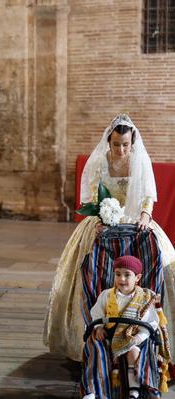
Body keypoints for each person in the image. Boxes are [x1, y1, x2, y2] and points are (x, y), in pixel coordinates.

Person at [44, 114, 175, 361]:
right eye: (116, 144)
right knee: (92, 270)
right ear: (109, 141)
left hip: (136, 221)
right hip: (105, 221)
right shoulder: (100, 163)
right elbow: (94, 196)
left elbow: (148, 194)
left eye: (126, 144)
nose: (121, 149)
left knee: (156, 265)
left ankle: (149, 339)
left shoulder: (139, 161)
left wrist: (146, 215)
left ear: (132, 142)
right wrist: (103, 217)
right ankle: (94, 337)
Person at [81, 256, 164, 399]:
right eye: (118, 274)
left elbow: (152, 322)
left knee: (133, 353)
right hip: (109, 334)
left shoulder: (145, 297)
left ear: (137, 278)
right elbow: (97, 313)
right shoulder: (107, 295)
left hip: (133, 336)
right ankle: (94, 389)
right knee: (96, 348)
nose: (122, 279)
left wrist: (140, 336)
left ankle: (134, 392)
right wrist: (98, 327)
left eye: (127, 275)